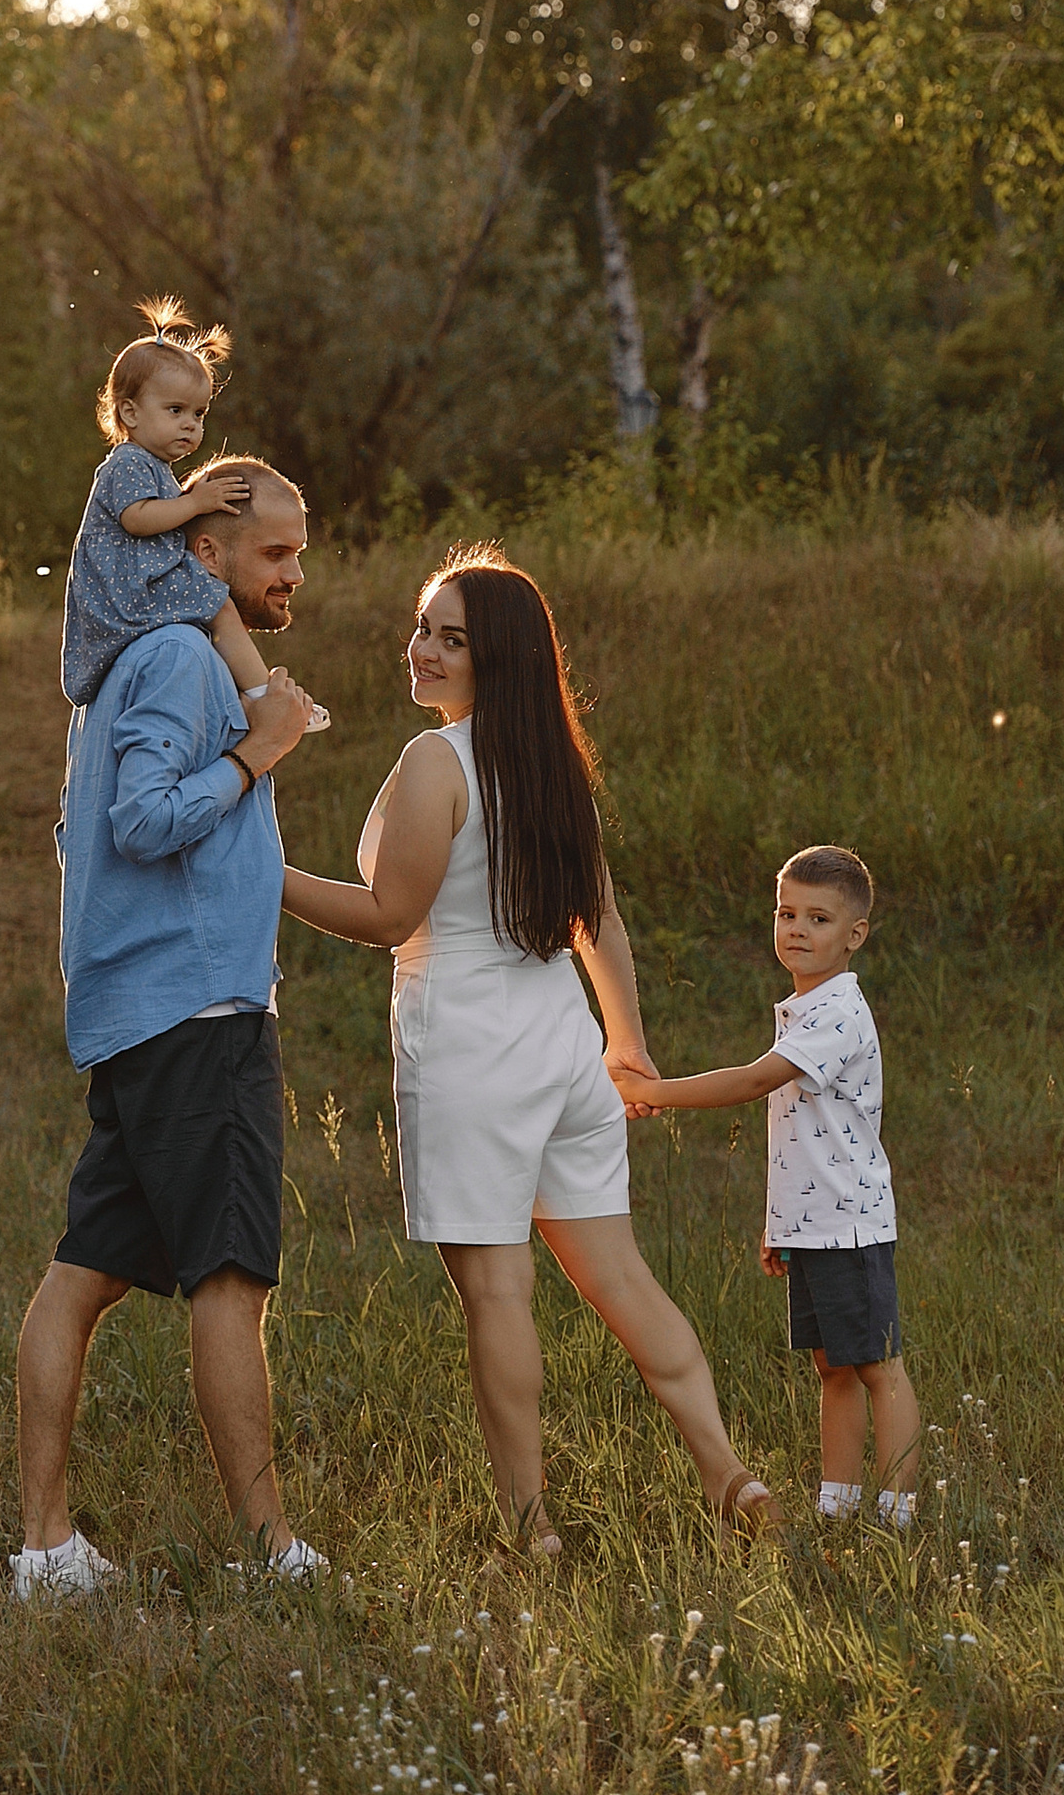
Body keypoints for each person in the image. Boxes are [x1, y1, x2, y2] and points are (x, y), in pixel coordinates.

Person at [279, 547, 776, 1554]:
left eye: (451, 639)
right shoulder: (553, 768)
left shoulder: (438, 761)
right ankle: (728, 1473)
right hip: (562, 1042)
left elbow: (388, 916)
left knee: (498, 1294)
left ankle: (530, 1525)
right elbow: (600, 918)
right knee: (621, 1278)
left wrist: (259, 871)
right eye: (422, 627)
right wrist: (626, 1046)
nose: (422, 649)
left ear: (497, 658)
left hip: (470, 1049)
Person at [11, 460, 333, 1601]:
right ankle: (270, 1553)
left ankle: (45, 1550)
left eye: (298, 554)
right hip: (197, 1016)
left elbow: (85, 832)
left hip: (145, 1016)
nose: (293, 575)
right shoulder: (179, 659)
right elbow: (143, 822)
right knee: (230, 1281)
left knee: (82, 1276)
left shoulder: (128, 669)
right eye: (275, 554)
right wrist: (258, 751)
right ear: (204, 552)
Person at [615, 847, 922, 1527]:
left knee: (878, 1367)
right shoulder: (806, 1008)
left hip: (850, 1224)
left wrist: (654, 1092)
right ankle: (837, 1504)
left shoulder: (838, 1012)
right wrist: (781, 1224)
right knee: (832, 1367)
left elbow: (756, 1081)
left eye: (818, 918)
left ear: (855, 934)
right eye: (786, 914)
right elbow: (801, 1138)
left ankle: (898, 1511)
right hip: (814, 1223)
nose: (797, 929)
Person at [60, 298, 328, 732]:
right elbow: (136, 519)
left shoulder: (154, 468)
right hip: (129, 592)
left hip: (143, 584)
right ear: (129, 412)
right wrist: (196, 503)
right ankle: (264, 696)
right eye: (176, 411)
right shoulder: (127, 463)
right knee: (219, 606)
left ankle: (242, 696)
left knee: (215, 612)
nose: (190, 424)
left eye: (198, 413)